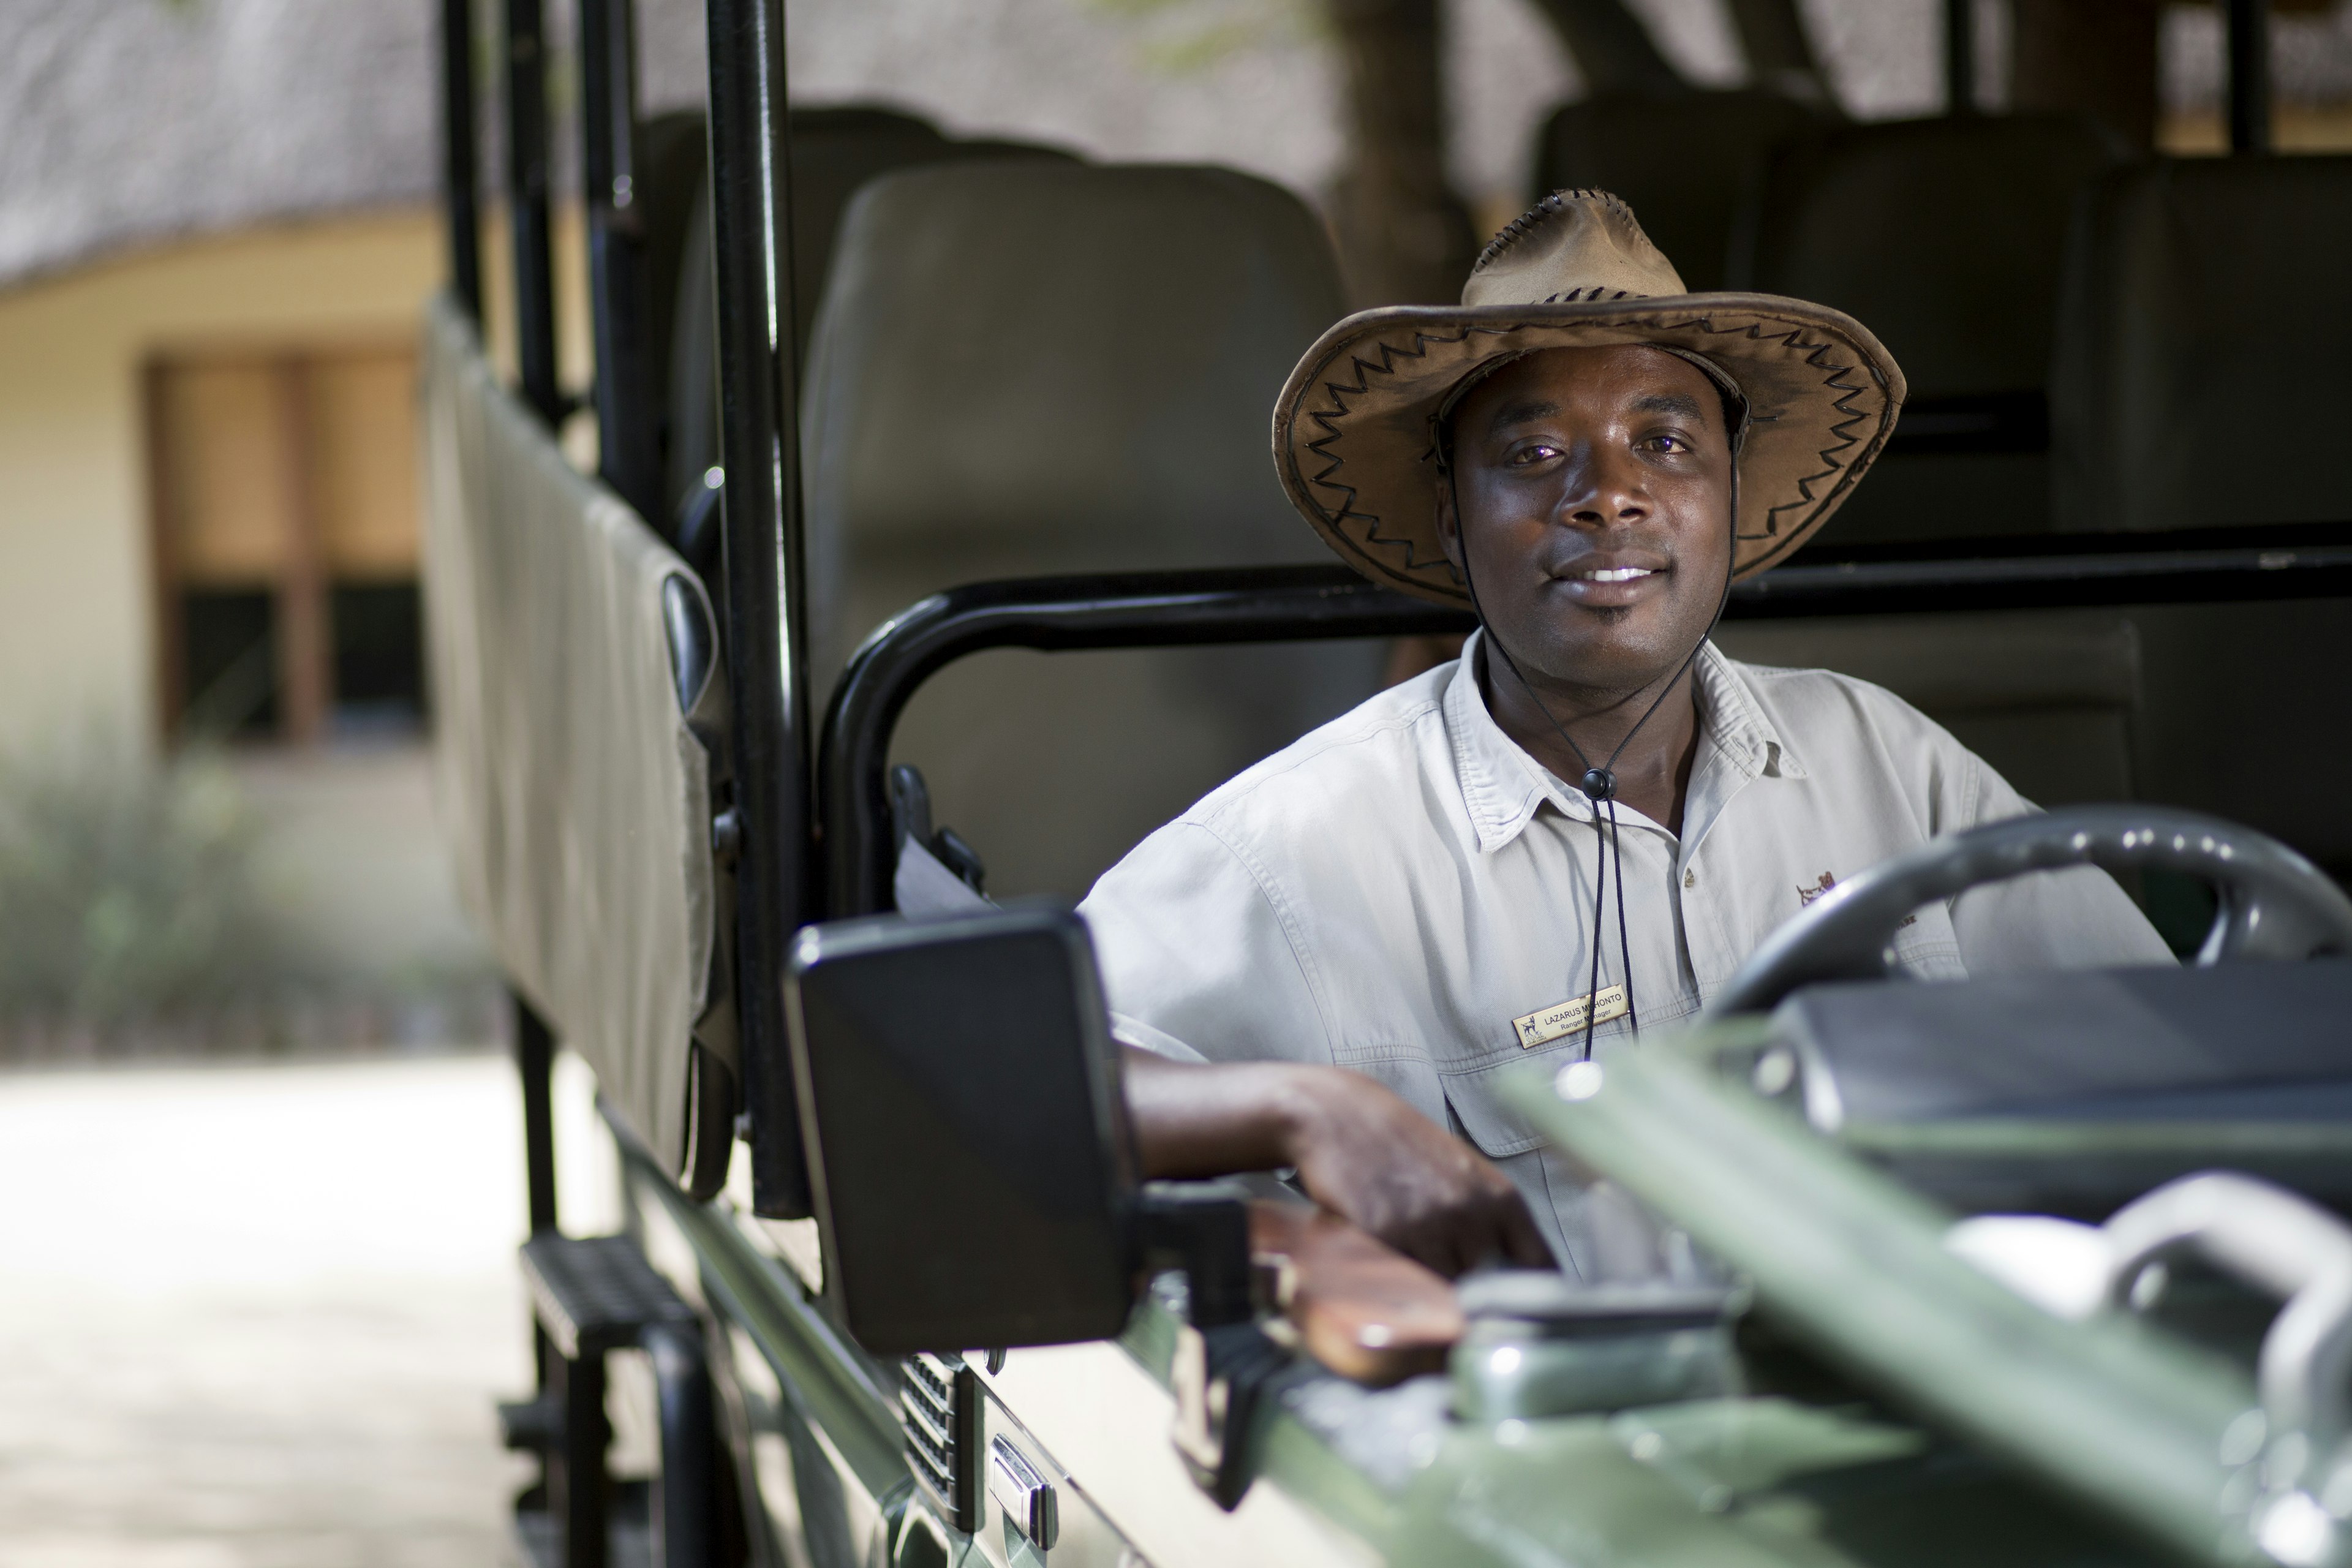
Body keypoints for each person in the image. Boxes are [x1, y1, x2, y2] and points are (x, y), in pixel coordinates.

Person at [1080, 190, 2173, 1280]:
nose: (1609, 496)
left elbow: (2172, 1046)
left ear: (1729, 497)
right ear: (1454, 520)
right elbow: (1020, 1084)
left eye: (1663, 442)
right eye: (1536, 452)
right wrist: (1306, 1107)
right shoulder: (1301, 842)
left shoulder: (1884, 761)